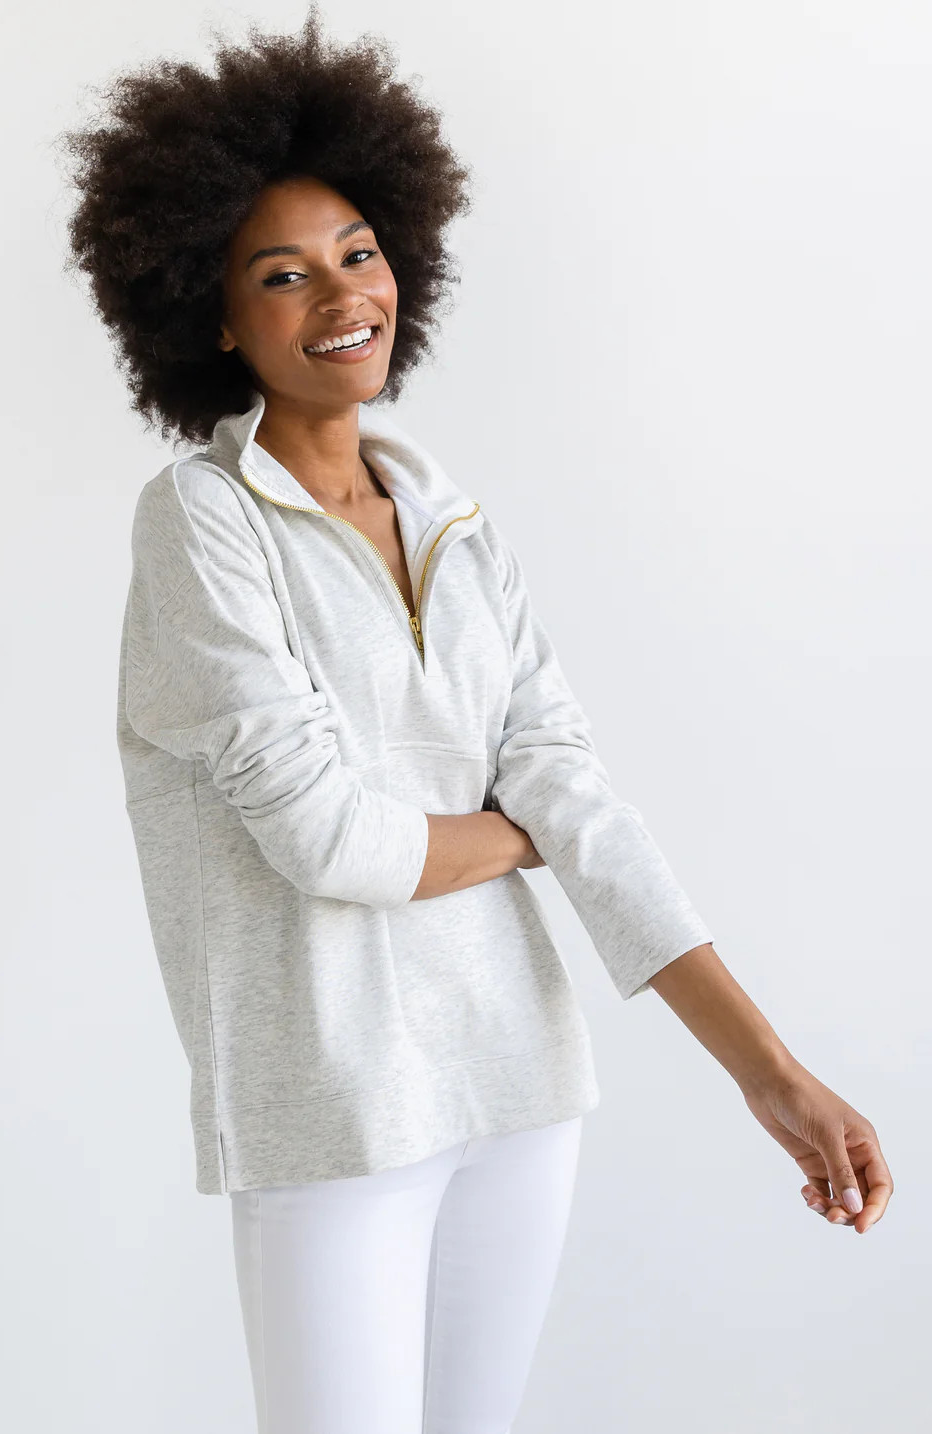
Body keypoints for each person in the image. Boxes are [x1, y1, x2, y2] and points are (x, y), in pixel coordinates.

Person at [57, 7, 893, 1431]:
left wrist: (776, 1078)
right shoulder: (200, 521)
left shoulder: (456, 521)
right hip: (332, 1108)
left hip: (520, 1084)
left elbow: (587, 807)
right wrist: (519, 832)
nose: (340, 294)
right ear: (214, 316)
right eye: (281, 274)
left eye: (358, 253)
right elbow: (330, 840)